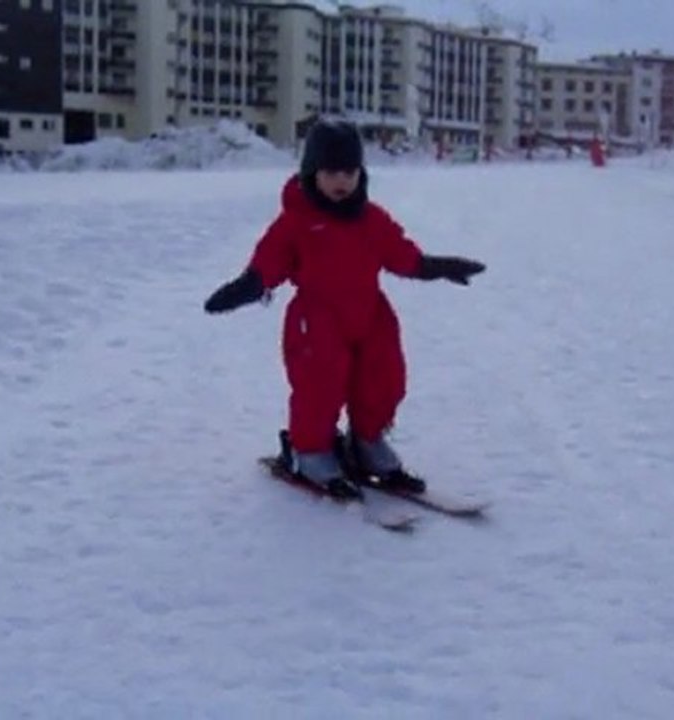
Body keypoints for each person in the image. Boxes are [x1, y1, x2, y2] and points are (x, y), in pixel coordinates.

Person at [203, 119, 486, 498]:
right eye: (331, 172)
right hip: (318, 319)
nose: (342, 181)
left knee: (383, 378)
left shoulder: (371, 219)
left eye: (349, 172)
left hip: (370, 314)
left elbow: (400, 254)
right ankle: (311, 450)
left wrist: (434, 266)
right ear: (312, 173)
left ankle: (366, 441)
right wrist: (249, 285)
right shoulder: (296, 223)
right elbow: (270, 261)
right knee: (319, 385)